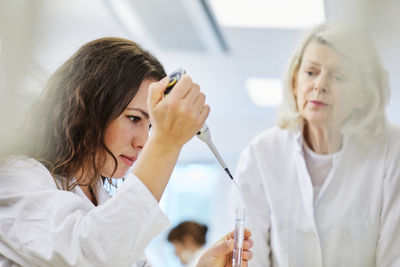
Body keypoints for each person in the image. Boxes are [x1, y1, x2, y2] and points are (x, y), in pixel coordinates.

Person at [0, 37, 253, 267]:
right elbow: (90, 253)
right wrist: (166, 143)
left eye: (151, 126)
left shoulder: (104, 203)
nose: (143, 142)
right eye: (134, 119)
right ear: (89, 108)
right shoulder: (18, 180)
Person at [232, 22, 400, 266]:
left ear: (364, 93)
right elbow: (248, 258)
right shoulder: (261, 154)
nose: (319, 85)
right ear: (294, 81)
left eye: (338, 76)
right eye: (311, 72)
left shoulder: (392, 150)